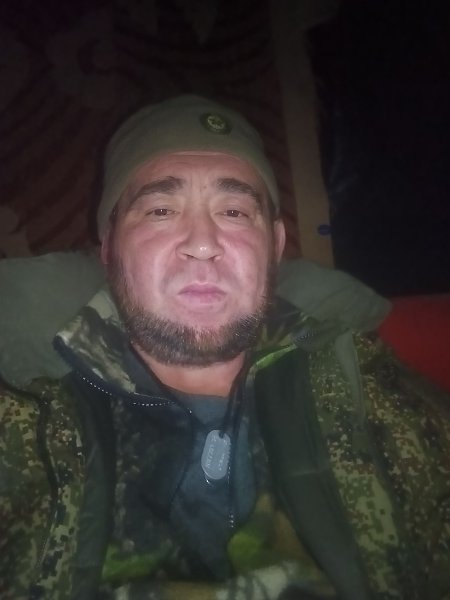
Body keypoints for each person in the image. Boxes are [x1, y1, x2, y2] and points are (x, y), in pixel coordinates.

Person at [1, 95, 449, 600]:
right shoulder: (25, 413)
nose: (202, 242)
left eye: (234, 211)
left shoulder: (372, 392)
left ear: (275, 246)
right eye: (161, 210)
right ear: (109, 248)